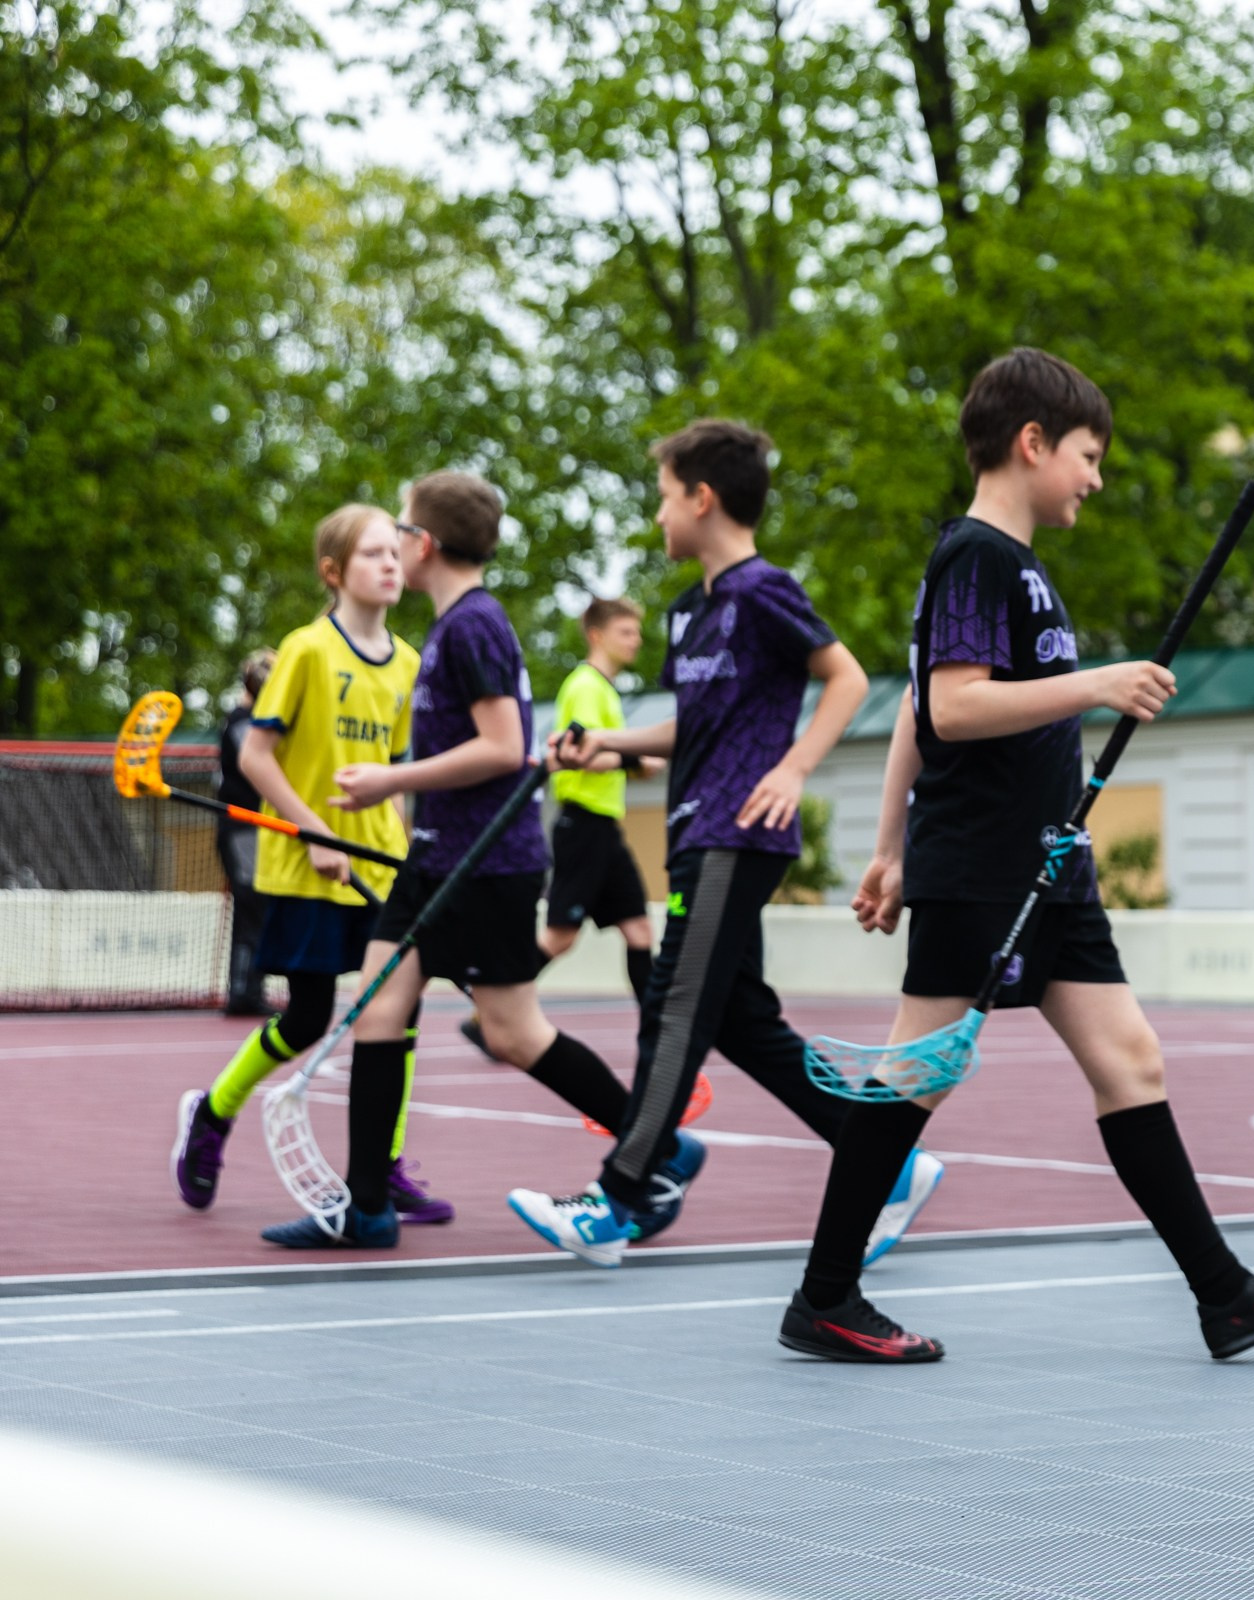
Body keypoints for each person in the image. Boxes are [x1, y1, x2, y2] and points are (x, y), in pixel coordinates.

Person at [777, 348, 1254, 1365]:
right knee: (915, 1076)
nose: (1095, 477)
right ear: (1032, 443)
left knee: (1131, 1058)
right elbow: (949, 704)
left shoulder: (1019, 567)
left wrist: (884, 846)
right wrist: (1095, 686)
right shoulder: (978, 556)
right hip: (985, 866)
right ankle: (824, 1296)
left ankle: (1223, 1295)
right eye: (1088, 455)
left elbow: (920, 701)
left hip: (1047, 868)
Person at [506, 420, 942, 1270]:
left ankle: (621, 1196)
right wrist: (607, 745)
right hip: (694, 831)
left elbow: (846, 675)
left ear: (702, 498)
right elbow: (695, 727)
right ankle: (886, 1160)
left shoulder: (761, 590)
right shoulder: (687, 612)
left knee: (673, 1005)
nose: (659, 515)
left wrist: (795, 767)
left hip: (735, 835)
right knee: (742, 1021)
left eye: (665, 497)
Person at [256, 472, 636, 1249]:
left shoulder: (473, 627)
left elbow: (502, 749)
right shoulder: (454, 626)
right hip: (434, 860)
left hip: (488, 864)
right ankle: (366, 1211)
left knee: (512, 1033)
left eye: (399, 529)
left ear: (424, 544)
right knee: (381, 1009)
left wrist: (390, 780)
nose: (393, 542)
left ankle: (650, 1145)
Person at [173, 509, 448, 1224]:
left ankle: (379, 1168)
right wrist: (314, 831)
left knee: (398, 1013)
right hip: (306, 866)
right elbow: (254, 756)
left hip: (381, 866)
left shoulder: (412, 663)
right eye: (371, 554)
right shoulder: (305, 650)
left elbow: (397, 769)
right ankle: (214, 1113)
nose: (391, 565)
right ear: (333, 571)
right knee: (309, 1017)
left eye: (396, 552)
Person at [457, 596, 661, 1061]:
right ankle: (488, 1014)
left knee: (639, 932)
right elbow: (582, 755)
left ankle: (658, 1032)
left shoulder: (606, 689)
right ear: (598, 635)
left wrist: (632, 762)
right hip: (583, 824)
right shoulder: (586, 687)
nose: (636, 641)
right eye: (627, 632)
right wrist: (636, 760)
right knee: (559, 937)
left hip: (606, 828)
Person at [216, 648, 278, 1018]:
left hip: (258, 828)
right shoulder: (243, 720)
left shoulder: (259, 719)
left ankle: (250, 988)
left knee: (259, 908)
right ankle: (242, 991)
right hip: (242, 828)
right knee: (251, 906)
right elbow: (255, 763)